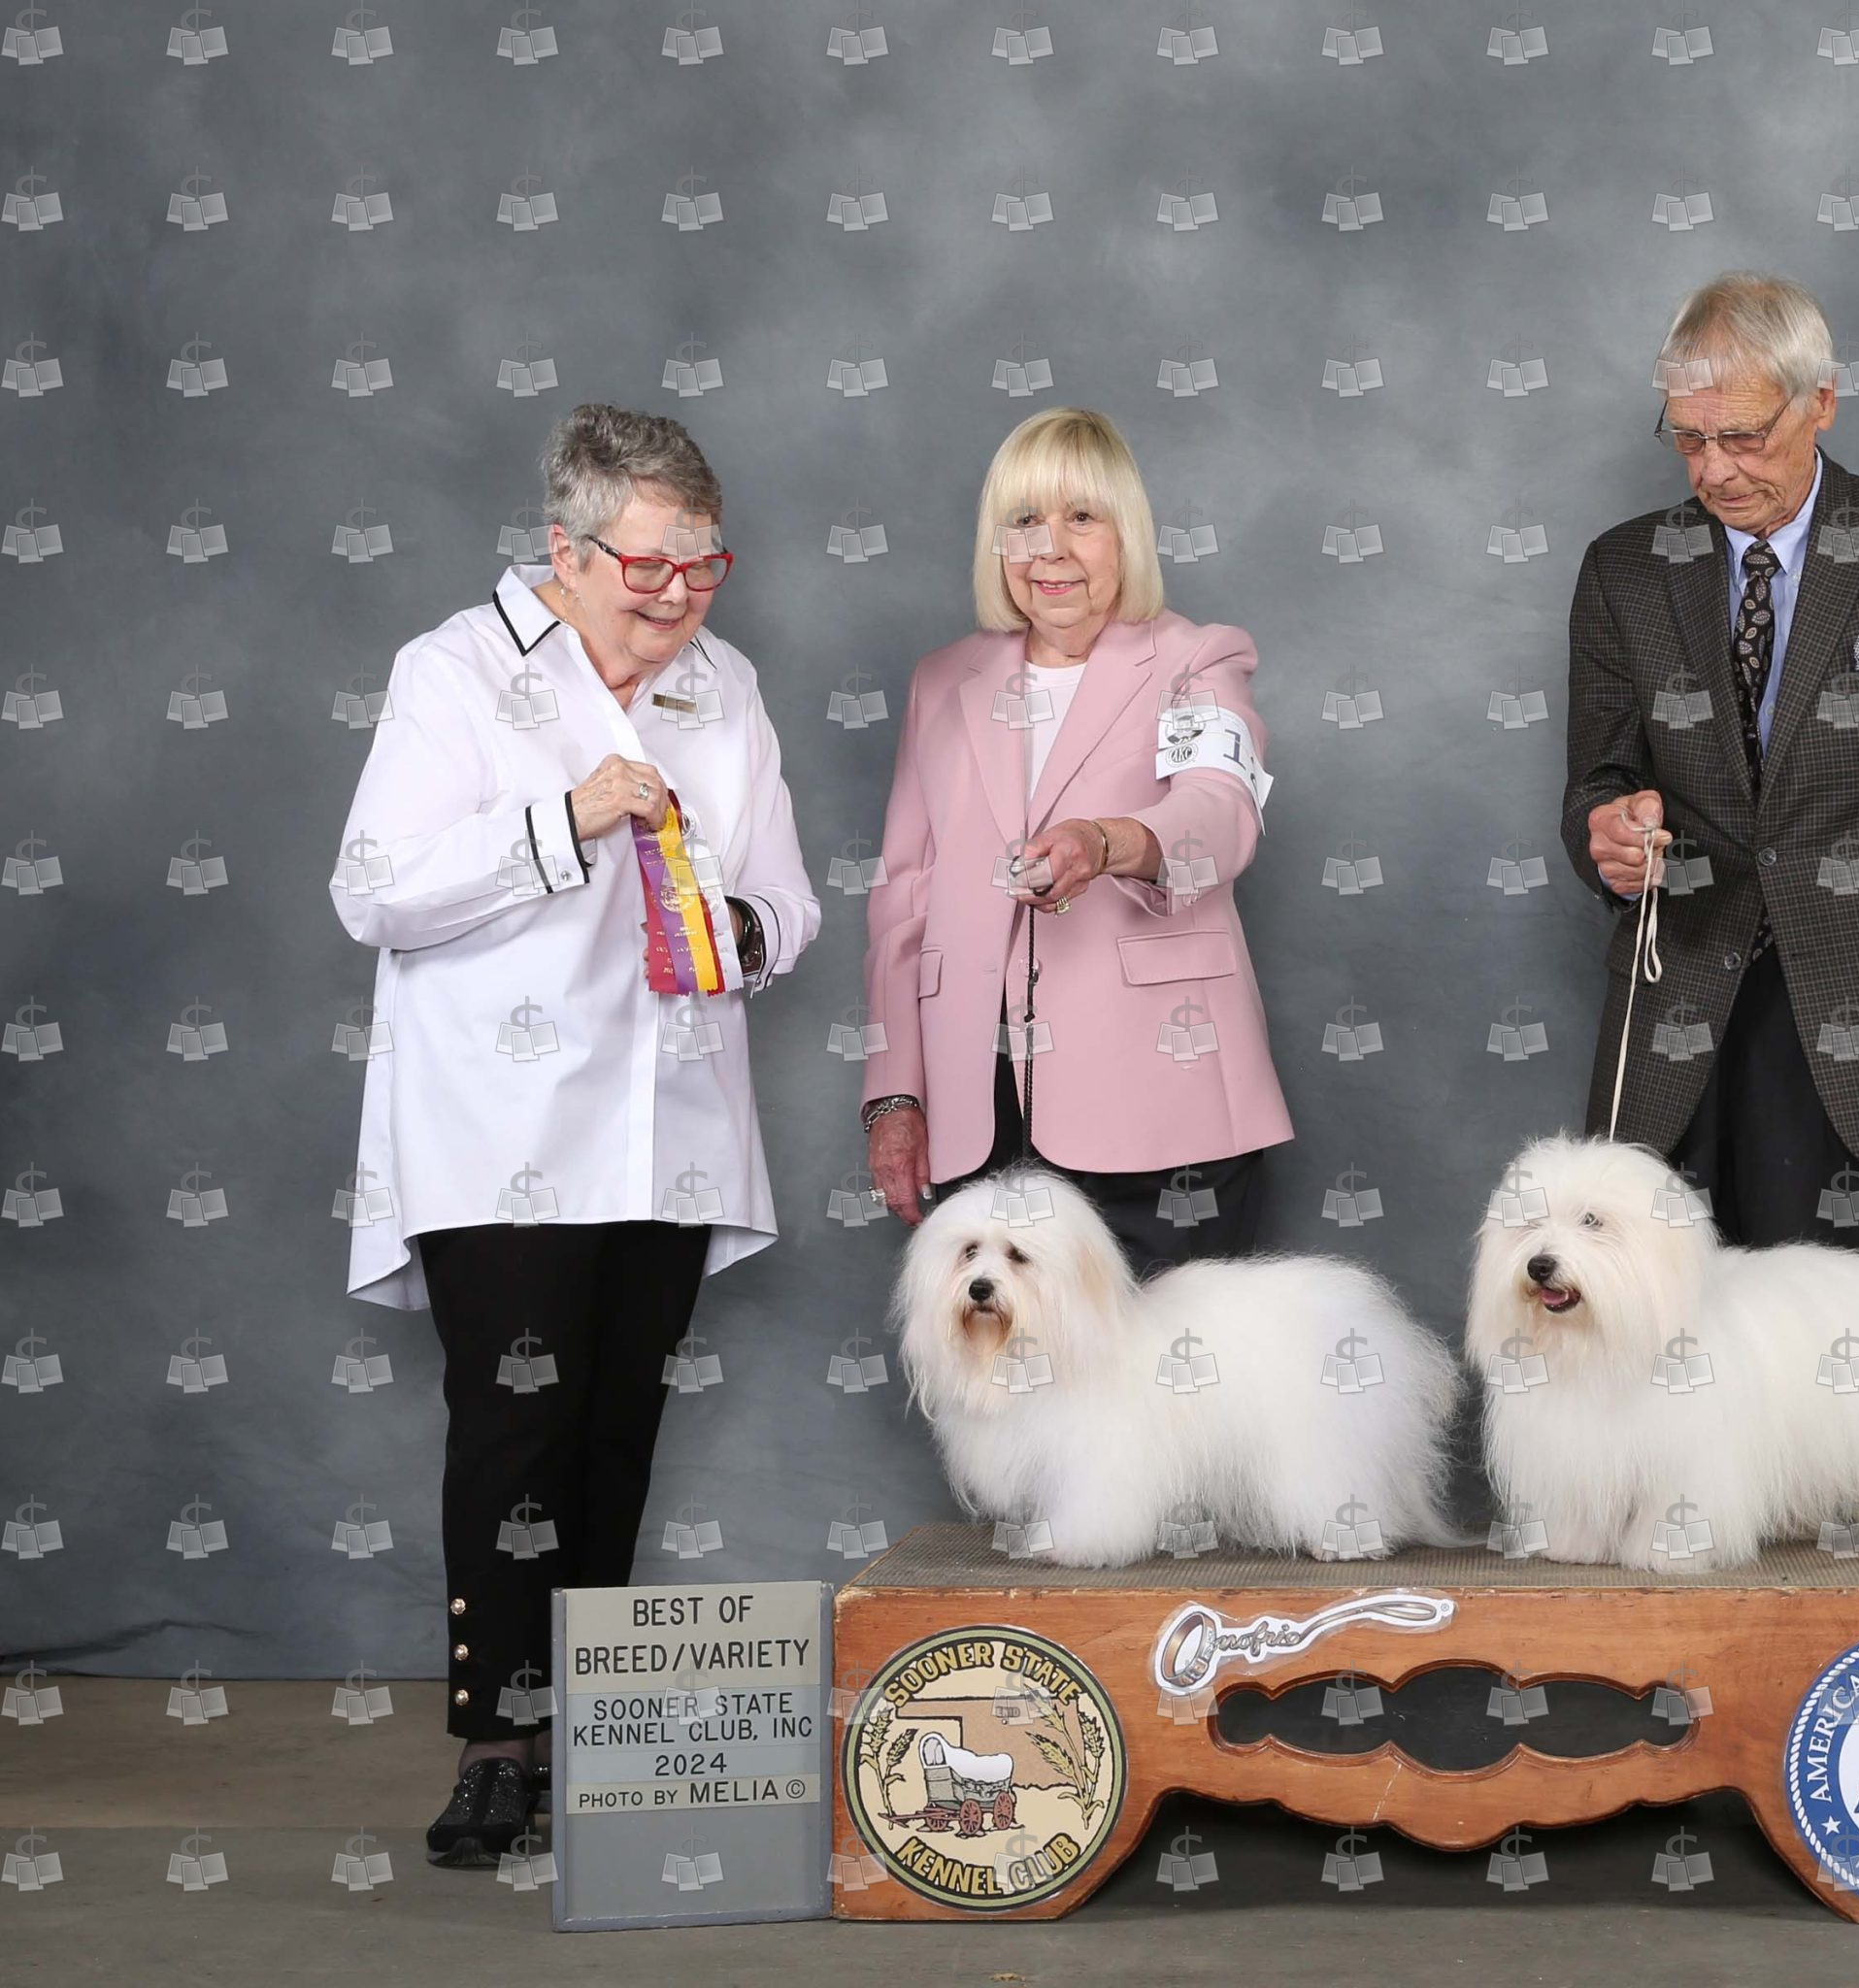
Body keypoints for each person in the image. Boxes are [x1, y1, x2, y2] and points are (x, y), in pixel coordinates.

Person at [327, 404, 820, 1865]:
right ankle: (496, 1743)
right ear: (565, 546)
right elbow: (375, 889)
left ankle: (586, 1735)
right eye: (648, 566)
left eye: (704, 565)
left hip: (668, 1124)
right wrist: (566, 821)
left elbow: (789, 898)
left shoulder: (726, 687)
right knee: (516, 1430)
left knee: (616, 1427)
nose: (677, 596)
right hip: (499, 1128)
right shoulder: (454, 670)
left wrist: (733, 927)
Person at [1563, 272, 1859, 1281]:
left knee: (1846, 1352)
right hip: (1675, 1019)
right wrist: (1607, 831)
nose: (1716, 470)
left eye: (1743, 436)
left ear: (1820, 400)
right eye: (1689, 439)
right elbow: (1596, 780)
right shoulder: (1623, 568)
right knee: (1651, 1349)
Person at [860, 406, 1291, 1274]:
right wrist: (894, 1094)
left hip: (1163, 1106)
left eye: (1082, 517)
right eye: (1024, 521)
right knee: (1007, 1363)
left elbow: (1222, 814)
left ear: (1126, 531)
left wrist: (1107, 841)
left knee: (1178, 1355)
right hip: (982, 1114)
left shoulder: (1198, 660)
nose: (1049, 549)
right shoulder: (940, 682)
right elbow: (903, 899)